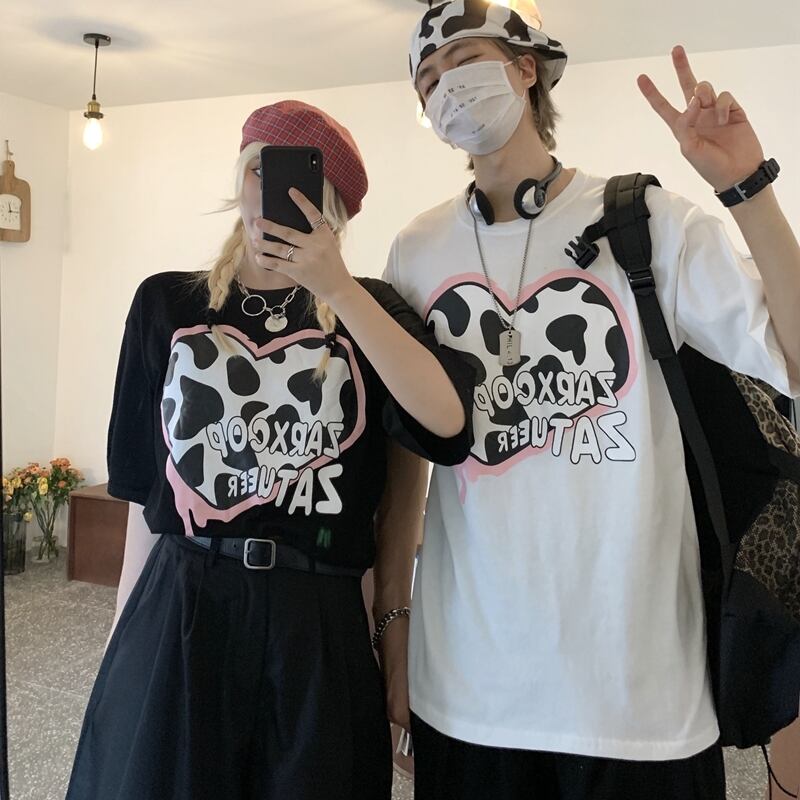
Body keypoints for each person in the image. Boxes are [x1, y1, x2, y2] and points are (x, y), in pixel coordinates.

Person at [374, 2, 800, 799]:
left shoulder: (646, 223)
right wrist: (393, 626)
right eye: (426, 78)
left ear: (525, 67)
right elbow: (408, 464)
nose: (444, 87)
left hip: (638, 700)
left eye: (461, 61)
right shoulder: (416, 250)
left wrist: (746, 187)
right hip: (468, 691)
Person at [65, 99, 474, 800]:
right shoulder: (167, 304)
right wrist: (122, 639)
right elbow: (145, 492)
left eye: (305, 184)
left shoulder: (371, 312)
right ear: (240, 177)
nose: (275, 195)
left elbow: (447, 429)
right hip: (184, 598)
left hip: (316, 616)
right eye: (261, 170)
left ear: (335, 209)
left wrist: (337, 287)